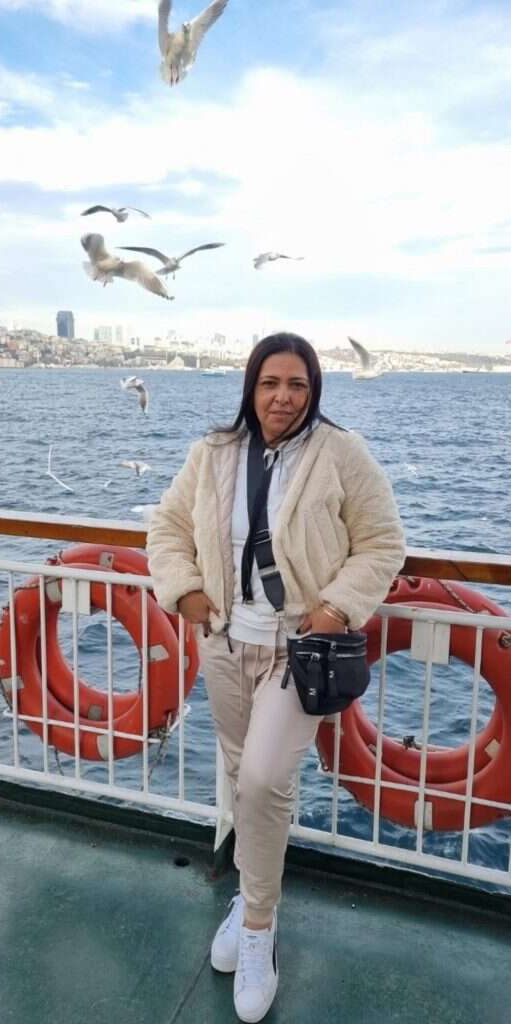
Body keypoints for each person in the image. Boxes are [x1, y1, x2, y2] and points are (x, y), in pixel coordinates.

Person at [146, 333, 405, 1023]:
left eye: (296, 384)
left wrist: (336, 607)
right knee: (242, 777)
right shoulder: (213, 453)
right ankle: (251, 895)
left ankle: (258, 928)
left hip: (300, 651)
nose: (282, 397)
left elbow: (383, 541)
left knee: (263, 780)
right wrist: (184, 590)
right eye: (270, 383)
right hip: (225, 644)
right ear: (250, 388)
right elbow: (167, 527)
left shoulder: (340, 453)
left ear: (313, 390)